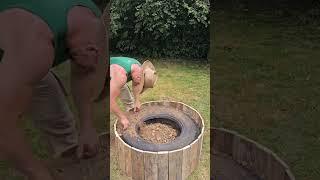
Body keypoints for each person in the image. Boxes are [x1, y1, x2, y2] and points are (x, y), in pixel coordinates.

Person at [0, 0, 108, 179]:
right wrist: (36, 172)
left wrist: (87, 125)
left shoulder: (90, 17)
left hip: (22, 50)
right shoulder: (34, 47)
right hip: (20, 46)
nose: (94, 53)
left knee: (56, 108)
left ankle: (70, 161)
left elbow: (85, 69)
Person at [110, 57, 158, 129]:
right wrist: (122, 117)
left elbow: (136, 84)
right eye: (141, 83)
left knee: (123, 88)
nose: (140, 84)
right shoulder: (121, 76)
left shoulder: (137, 67)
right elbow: (110, 100)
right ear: (139, 77)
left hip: (114, 76)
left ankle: (131, 110)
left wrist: (137, 100)